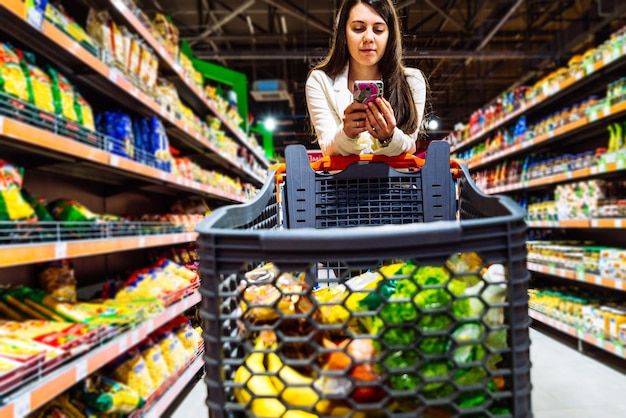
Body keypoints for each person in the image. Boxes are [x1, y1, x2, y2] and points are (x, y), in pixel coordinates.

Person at [305, 0, 428, 157]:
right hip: (341, 181)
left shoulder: (412, 81)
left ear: (390, 36)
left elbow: (410, 145)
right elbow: (327, 147)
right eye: (358, 29)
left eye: (378, 30)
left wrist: (389, 137)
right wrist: (346, 133)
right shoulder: (320, 81)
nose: (368, 37)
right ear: (343, 34)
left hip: (396, 181)